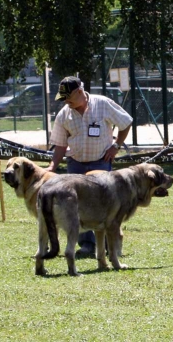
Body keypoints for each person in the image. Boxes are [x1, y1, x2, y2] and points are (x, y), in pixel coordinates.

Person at [45, 76, 133, 257]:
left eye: (68, 97)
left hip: (101, 164)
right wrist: (52, 166)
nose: (66, 102)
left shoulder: (102, 103)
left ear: (79, 92)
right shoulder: (64, 114)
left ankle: (111, 245)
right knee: (77, 207)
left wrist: (116, 145)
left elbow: (126, 122)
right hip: (75, 166)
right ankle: (86, 245)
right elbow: (61, 145)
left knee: (107, 206)